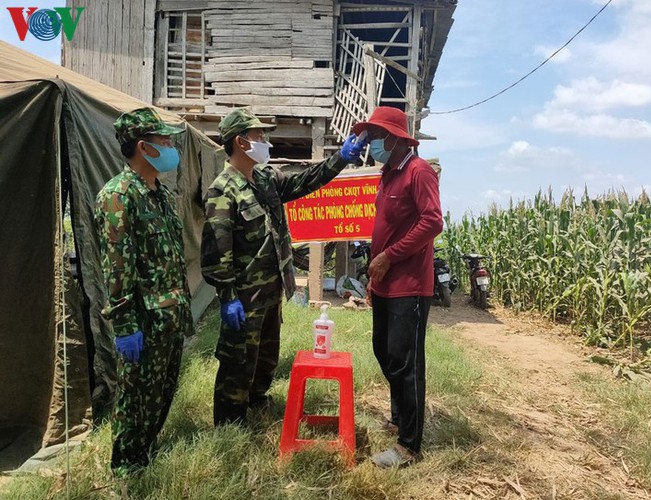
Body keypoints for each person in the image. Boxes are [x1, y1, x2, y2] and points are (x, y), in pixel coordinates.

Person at [201, 107, 366, 426]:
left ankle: (258, 400)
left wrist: (341, 159)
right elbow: (216, 250)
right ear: (241, 142)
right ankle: (230, 423)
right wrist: (227, 296)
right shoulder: (223, 190)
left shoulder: (265, 178)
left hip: (270, 289)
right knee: (238, 360)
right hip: (244, 297)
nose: (265, 141)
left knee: (265, 353)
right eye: (259, 135)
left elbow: (306, 182)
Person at [95, 107, 194, 475]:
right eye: (164, 140)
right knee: (135, 399)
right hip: (142, 323)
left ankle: (145, 454)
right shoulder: (118, 196)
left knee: (160, 396)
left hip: (169, 317)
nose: (171, 146)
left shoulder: (161, 195)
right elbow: (116, 266)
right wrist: (124, 325)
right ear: (143, 146)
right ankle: (126, 470)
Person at [352, 106, 443, 467]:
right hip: (385, 283)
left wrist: (390, 256)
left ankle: (409, 445)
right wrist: (377, 272)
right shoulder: (388, 173)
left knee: (406, 362)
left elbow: (432, 222)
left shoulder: (418, 172)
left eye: (375, 135)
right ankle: (398, 417)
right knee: (384, 351)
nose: (371, 142)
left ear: (392, 137)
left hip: (409, 285)